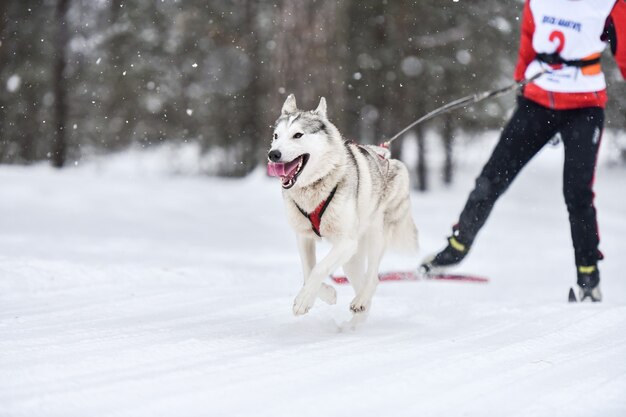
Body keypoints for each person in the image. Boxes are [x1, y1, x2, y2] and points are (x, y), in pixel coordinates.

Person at [420, 0, 626, 302]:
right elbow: (528, 43)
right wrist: (521, 82)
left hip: (584, 107)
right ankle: (456, 249)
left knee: (577, 193)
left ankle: (588, 276)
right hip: (537, 103)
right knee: (491, 178)